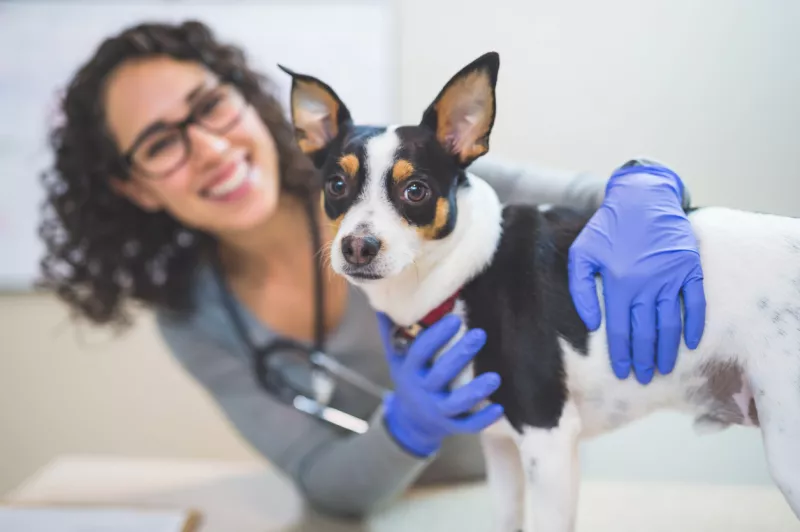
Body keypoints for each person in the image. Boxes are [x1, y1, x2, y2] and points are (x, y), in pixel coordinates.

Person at [38, 20, 706, 519]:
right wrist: (410, 422)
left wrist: (649, 186)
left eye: (209, 106)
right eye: (160, 142)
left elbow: (611, 199)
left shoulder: (403, 172)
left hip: (552, 475)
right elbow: (326, 486)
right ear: (135, 188)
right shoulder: (194, 315)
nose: (210, 148)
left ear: (246, 100)